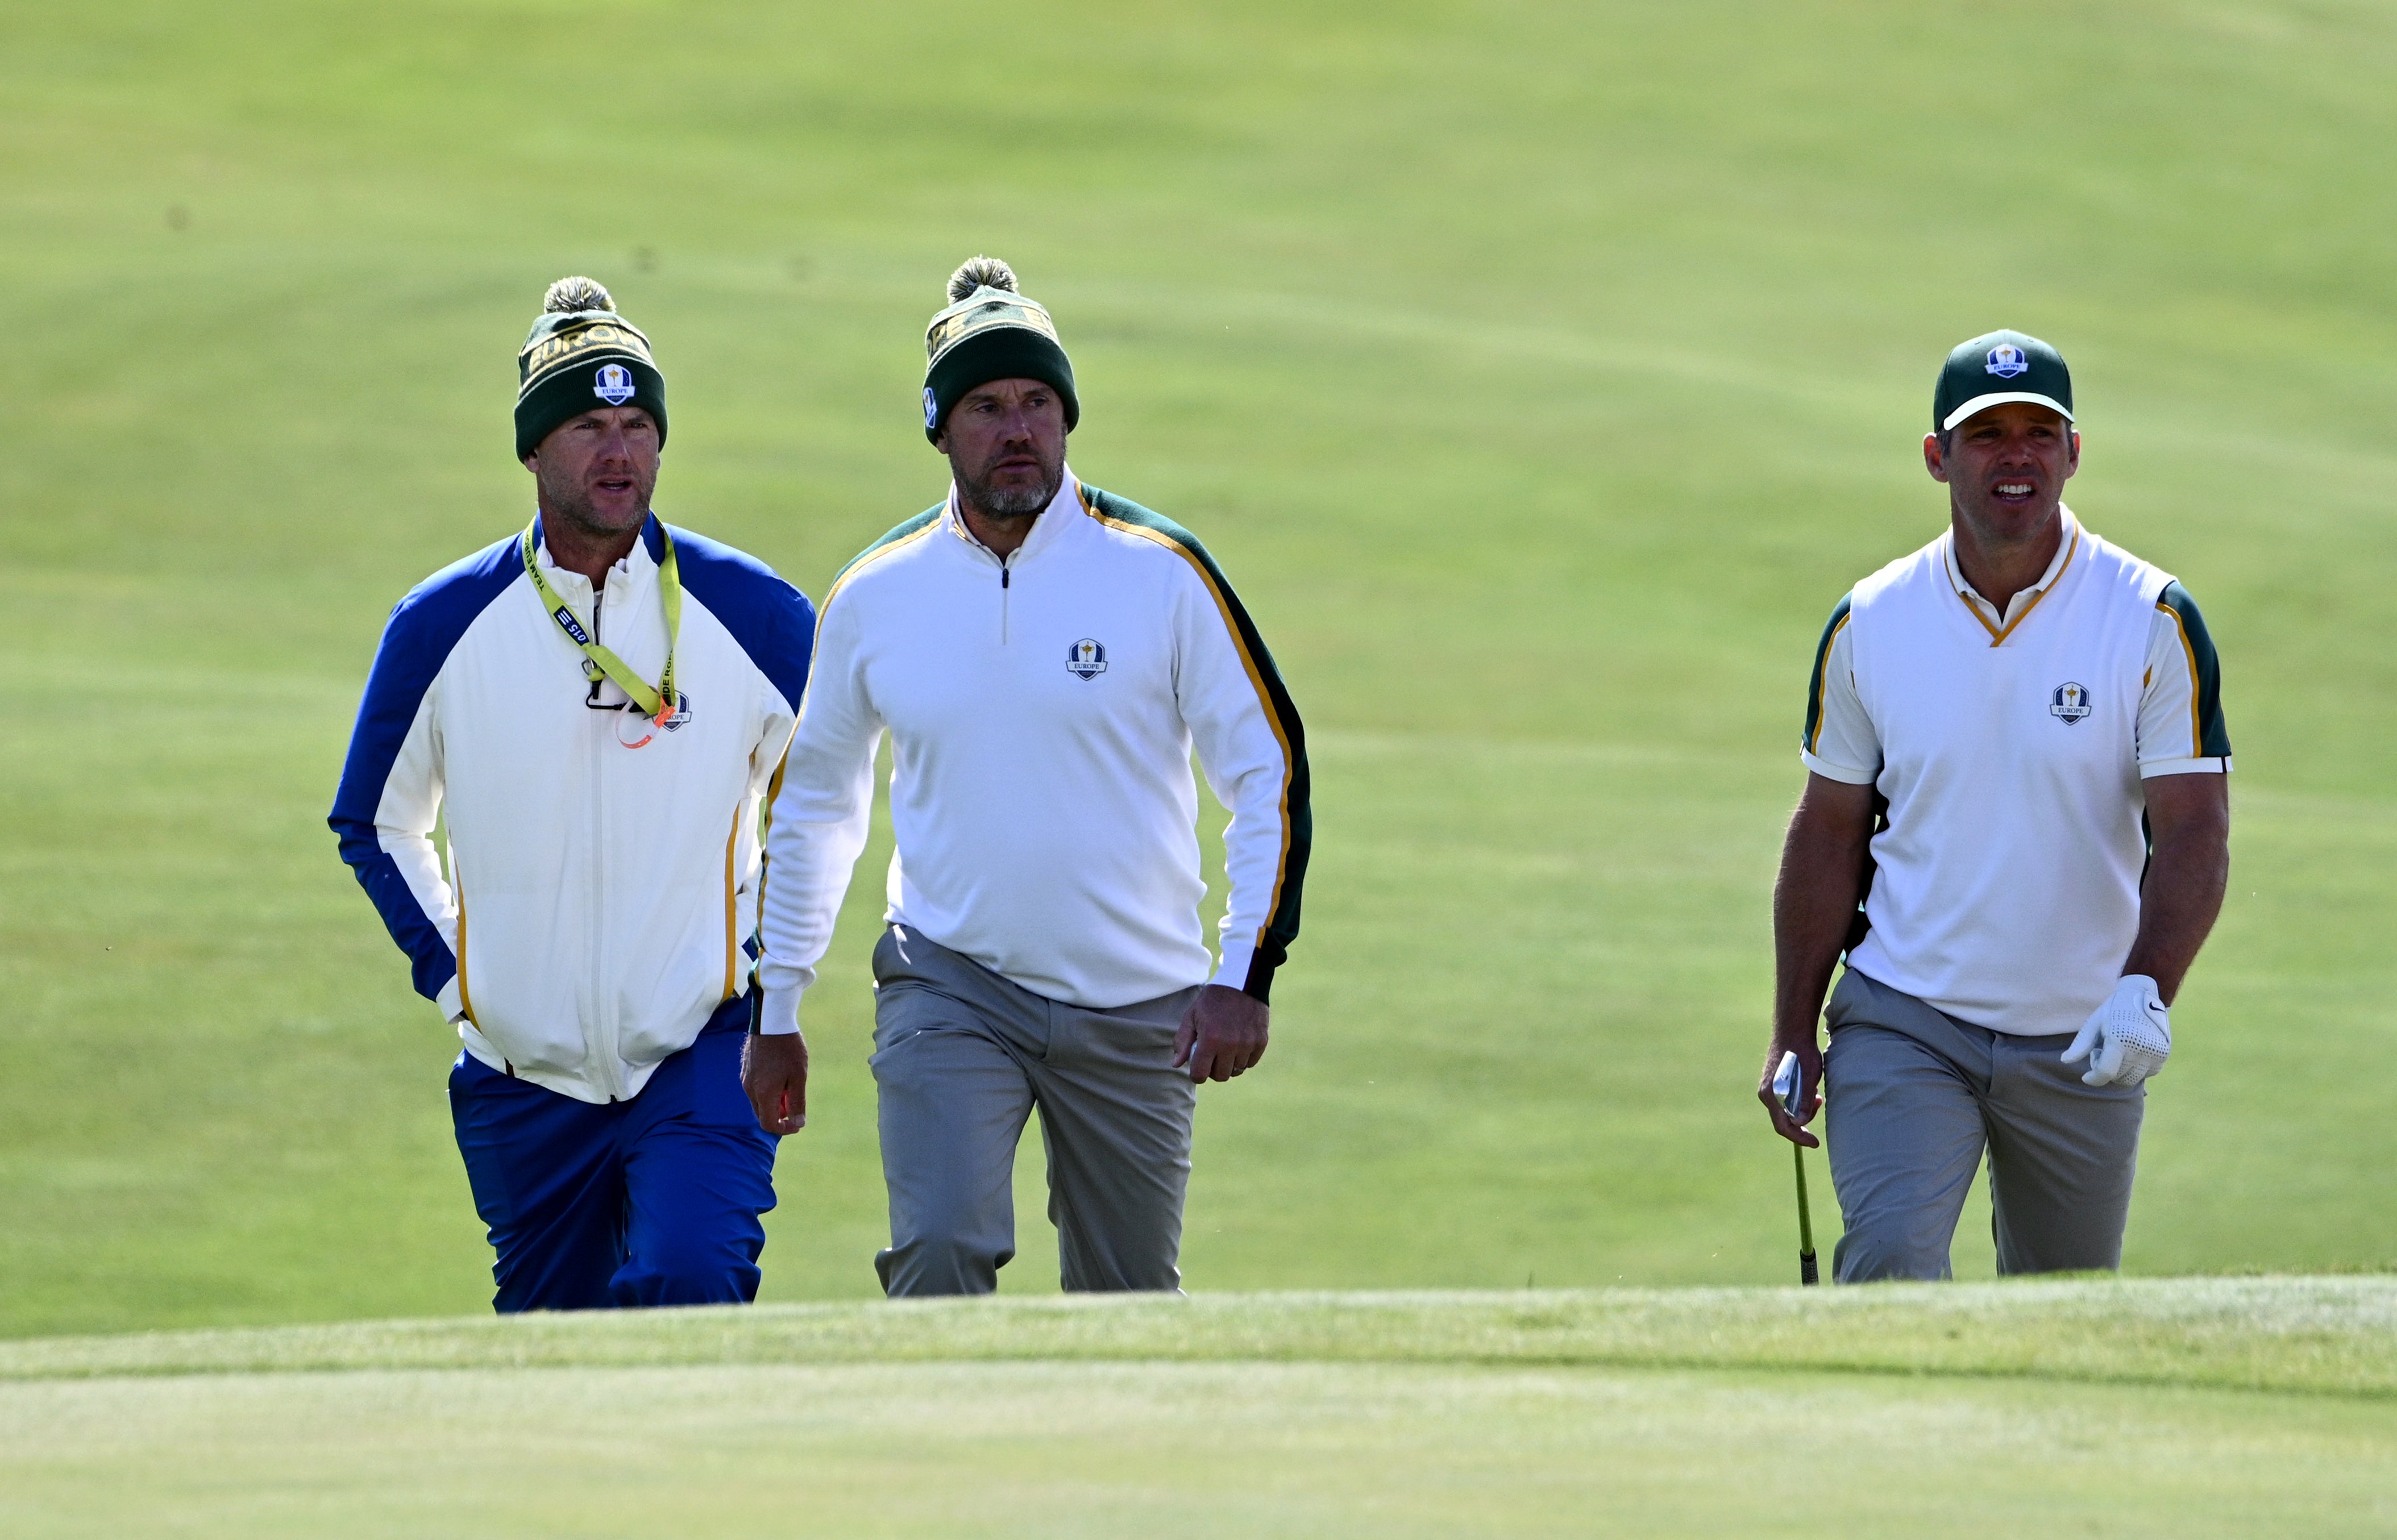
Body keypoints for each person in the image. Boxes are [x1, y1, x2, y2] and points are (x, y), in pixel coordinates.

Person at [743, 256, 1310, 1296]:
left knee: (1128, 1300)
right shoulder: (876, 594)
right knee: (938, 1255)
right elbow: (816, 803)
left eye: (1039, 403)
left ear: (1067, 419)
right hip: (950, 981)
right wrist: (776, 1005)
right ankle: (943, 1463)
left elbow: (1267, 767)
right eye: (987, 406)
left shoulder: (1160, 570)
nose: (1017, 429)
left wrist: (1242, 972)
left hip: (1140, 1000)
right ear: (941, 431)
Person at [329, 278, 816, 1310]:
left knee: (690, 1283)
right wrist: (458, 971)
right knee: (550, 1351)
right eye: (588, 425)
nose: (619, 452)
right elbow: (373, 819)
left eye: (639, 425)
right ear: (532, 450)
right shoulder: (440, 624)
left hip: (698, 1053)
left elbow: (821, 801)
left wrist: (774, 977)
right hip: (522, 1078)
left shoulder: (757, 614)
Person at [1758, 329, 2232, 1282]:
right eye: (1984, 434)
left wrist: (2145, 988)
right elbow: (1827, 831)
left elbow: (2194, 831)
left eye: (2037, 431)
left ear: (2071, 451)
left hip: (2081, 1038)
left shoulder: (2149, 616)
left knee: (2062, 1311)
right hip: (1905, 1016)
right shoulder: (1871, 620)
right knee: (1888, 1267)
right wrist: (1791, 1029)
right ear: (1937, 456)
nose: (2013, 454)